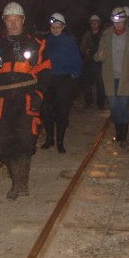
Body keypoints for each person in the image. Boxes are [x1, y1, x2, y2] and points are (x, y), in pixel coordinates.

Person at [0, 2, 51, 200]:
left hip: (26, 98)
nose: (13, 24)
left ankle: (19, 184)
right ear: (4, 21)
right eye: (9, 20)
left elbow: (45, 73)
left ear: (23, 20)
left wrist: (38, 95)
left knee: (25, 139)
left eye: (16, 20)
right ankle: (18, 181)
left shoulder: (36, 44)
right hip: (3, 99)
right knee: (5, 143)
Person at [94, 7, 129, 148]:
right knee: (113, 107)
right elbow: (98, 55)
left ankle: (123, 136)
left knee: (123, 106)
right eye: (115, 22)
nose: (118, 25)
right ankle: (118, 131)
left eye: (120, 22)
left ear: (125, 21)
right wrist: (99, 56)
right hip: (110, 77)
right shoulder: (106, 36)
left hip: (126, 78)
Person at [40, 13, 83, 153]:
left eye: (58, 27)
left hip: (63, 80)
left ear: (63, 27)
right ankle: (49, 139)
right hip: (48, 80)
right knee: (46, 111)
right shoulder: (45, 42)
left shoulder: (69, 42)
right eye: (53, 27)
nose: (55, 29)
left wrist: (73, 75)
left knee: (62, 112)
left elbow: (77, 61)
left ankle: (60, 142)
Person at [79, 14, 105, 110]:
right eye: (92, 23)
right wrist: (85, 50)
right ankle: (88, 102)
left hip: (100, 62)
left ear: (98, 24)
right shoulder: (87, 34)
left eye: (95, 23)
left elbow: (107, 46)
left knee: (100, 83)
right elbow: (81, 46)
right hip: (89, 61)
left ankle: (100, 103)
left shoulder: (103, 34)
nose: (94, 25)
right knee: (87, 83)